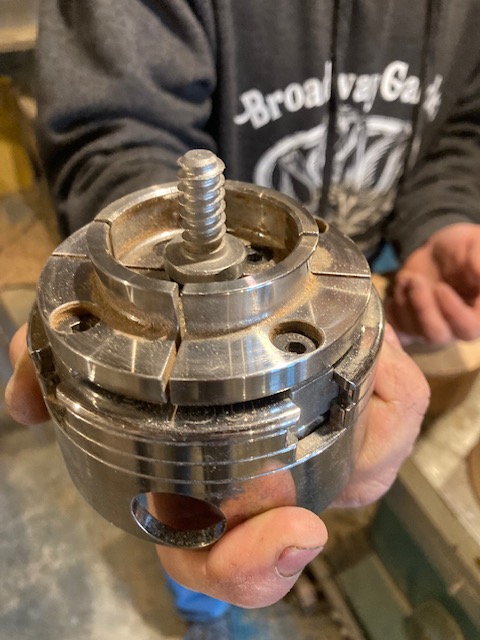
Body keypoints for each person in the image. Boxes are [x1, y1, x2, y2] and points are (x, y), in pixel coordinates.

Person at [5, 0, 480, 637]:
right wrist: (153, 307)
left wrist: (442, 215)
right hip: (169, 321)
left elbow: (465, 124)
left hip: (348, 268)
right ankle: (204, 616)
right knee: (191, 533)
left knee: (268, 519)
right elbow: (112, 129)